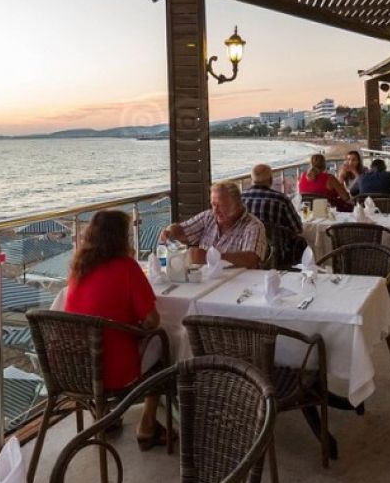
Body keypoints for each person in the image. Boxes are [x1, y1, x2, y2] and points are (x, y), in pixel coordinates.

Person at [63, 210, 167, 448]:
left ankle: (105, 417)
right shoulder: (126, 267)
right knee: (163, 343)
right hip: (114, 369)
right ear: (121, 238)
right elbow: (152, 320)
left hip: (77, 366)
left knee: (108, 338)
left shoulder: (78, 268)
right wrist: (136, 326)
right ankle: (147, 425)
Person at [161, 181, 267, 269]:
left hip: (239, 283)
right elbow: (182, 231)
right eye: (213, 204)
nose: (215, 210)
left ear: (238, 205)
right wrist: (170, 231)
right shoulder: (208, 217)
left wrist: (210, 257)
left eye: (221, 205)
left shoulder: (253, 226)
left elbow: (251, 259)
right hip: (206, 280)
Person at [242, 164, 305, 266]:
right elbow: (298, 229)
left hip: (246, 253)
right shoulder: (281, 199)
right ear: (271, 180)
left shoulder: (240, 198)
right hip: (278, 255)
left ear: (251, 180)